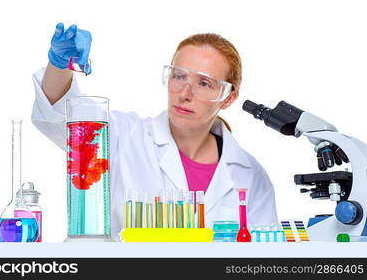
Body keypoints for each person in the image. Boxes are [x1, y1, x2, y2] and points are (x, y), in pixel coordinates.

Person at [32, 23, 278, 241]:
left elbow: (263, 260)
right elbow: (62, 113)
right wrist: (59, 65)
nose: (185, 93)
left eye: (204, 83)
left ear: (228, 98)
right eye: (179, 76)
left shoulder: (251, 175)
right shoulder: (123, 137)